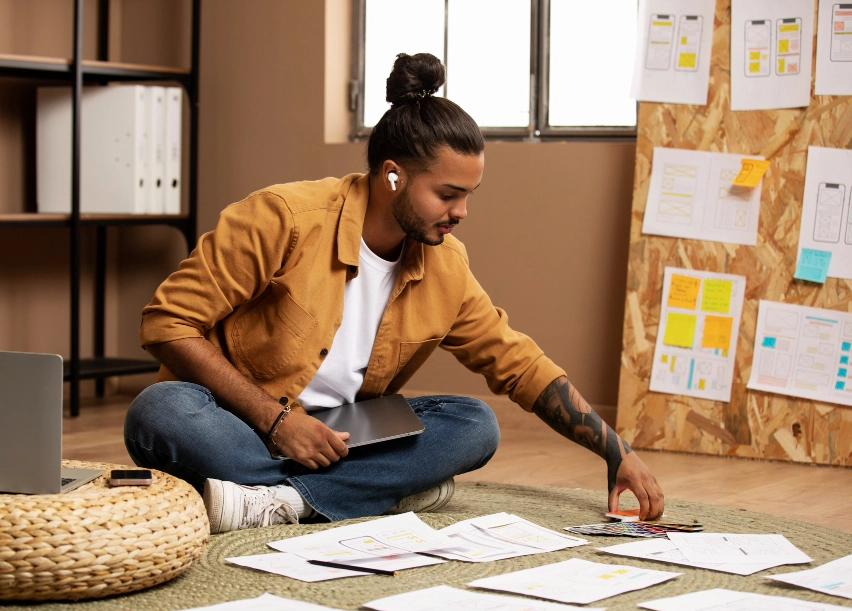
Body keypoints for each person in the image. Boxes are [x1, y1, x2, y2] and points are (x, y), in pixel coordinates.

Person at [124, 53, 664, 533]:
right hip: (239, 422)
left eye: (470, 195)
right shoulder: (281, 218)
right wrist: (279, 422)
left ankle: (282, 500)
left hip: (337, 438)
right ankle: (373, 490)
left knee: (474, 424)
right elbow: (168, 323)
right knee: (159, 410)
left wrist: (616, 452)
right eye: (448, 194)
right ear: (392, 177)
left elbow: (518, 364)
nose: (462, 213)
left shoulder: (445, 264)